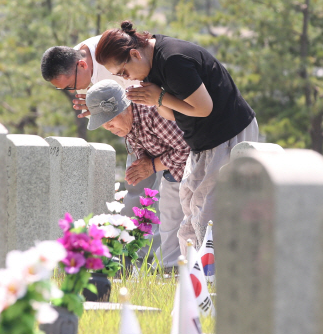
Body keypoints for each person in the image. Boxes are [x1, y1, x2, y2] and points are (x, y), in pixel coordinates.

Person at [95, 21, 258, 253]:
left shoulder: (173, 60)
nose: (127, 78)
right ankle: (193, 277)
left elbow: (204, 108)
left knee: (210, 213)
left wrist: (159, 97)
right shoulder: (151, 64)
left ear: (134, 54)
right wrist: (154, 99)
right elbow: (172, 114)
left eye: (124, 72)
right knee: (191, 209)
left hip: (227, 133)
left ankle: (212, 280)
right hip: (201, 142)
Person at [41, 38, 174, 266]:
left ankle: (157, 260)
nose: (75, 91)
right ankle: (131, 256)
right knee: (135, 188)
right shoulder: (75, 58)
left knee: (163, 195)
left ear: (82, 66)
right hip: (134, 133)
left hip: (162, 126)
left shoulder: (109, 56)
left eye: (71, 86)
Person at [86, 79, 189, 270]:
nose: (108, 128)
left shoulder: (152, 114)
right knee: (166, 224)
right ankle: (161, 269)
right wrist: (144, 163)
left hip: (194, 172)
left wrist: (151, 166)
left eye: (110, 120)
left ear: (125, 108)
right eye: (104, 124)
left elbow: (187, 148)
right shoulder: (128, 124)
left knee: (183, 226)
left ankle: (173, 271)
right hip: (173, 172)